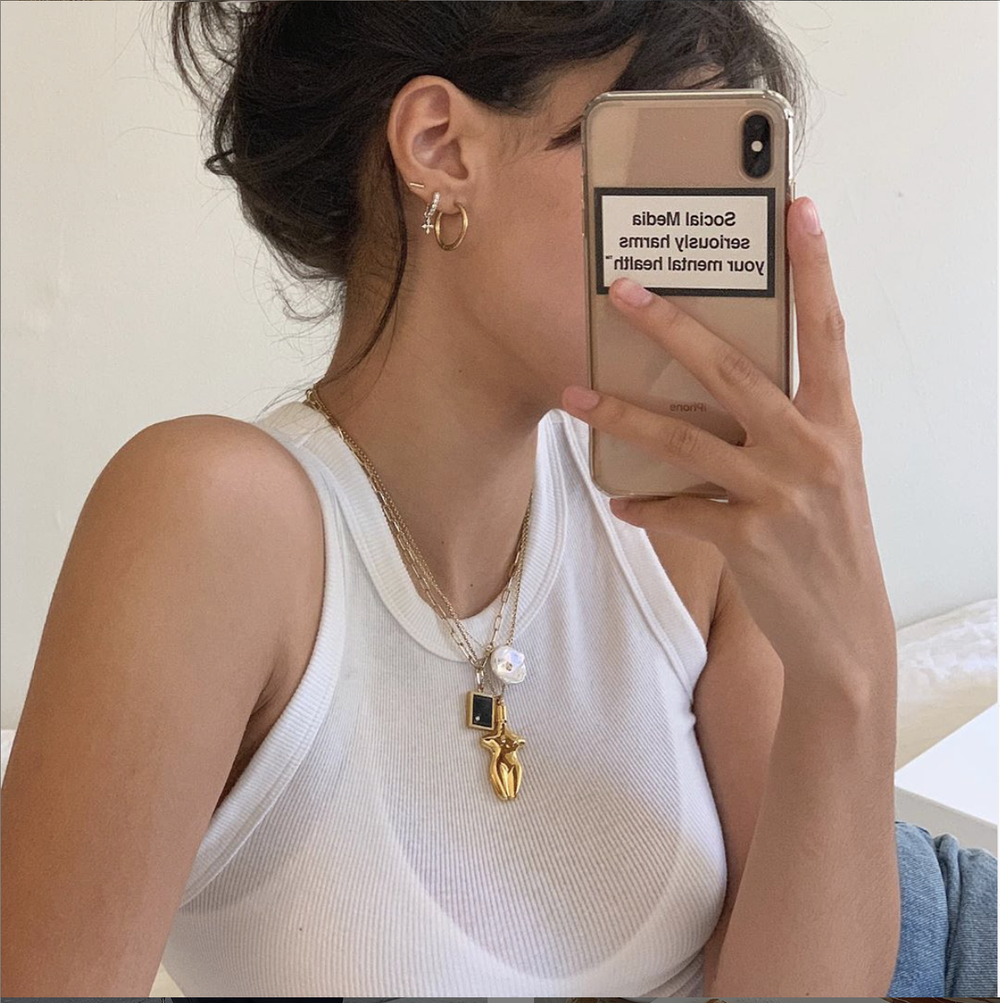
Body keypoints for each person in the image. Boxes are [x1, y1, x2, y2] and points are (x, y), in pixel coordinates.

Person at [0, 2, 995, 998]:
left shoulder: (684, 507)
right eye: (656, 151)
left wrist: (846, 668)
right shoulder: (216, 520)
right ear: (440, 146)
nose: (707, 228)